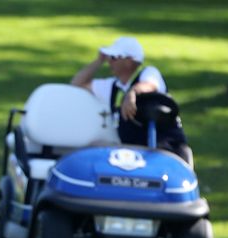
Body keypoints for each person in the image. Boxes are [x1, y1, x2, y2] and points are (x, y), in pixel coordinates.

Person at [71, 36, 193, 167]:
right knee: (93, 147)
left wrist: (132, 93)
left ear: (129, 61)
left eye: (113, 58)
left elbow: (150, 85)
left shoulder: (149, 73)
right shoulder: (113, 86)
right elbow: (77, 83)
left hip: (165, 150)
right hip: (133, 152)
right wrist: (98, 61)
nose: (109, 62)